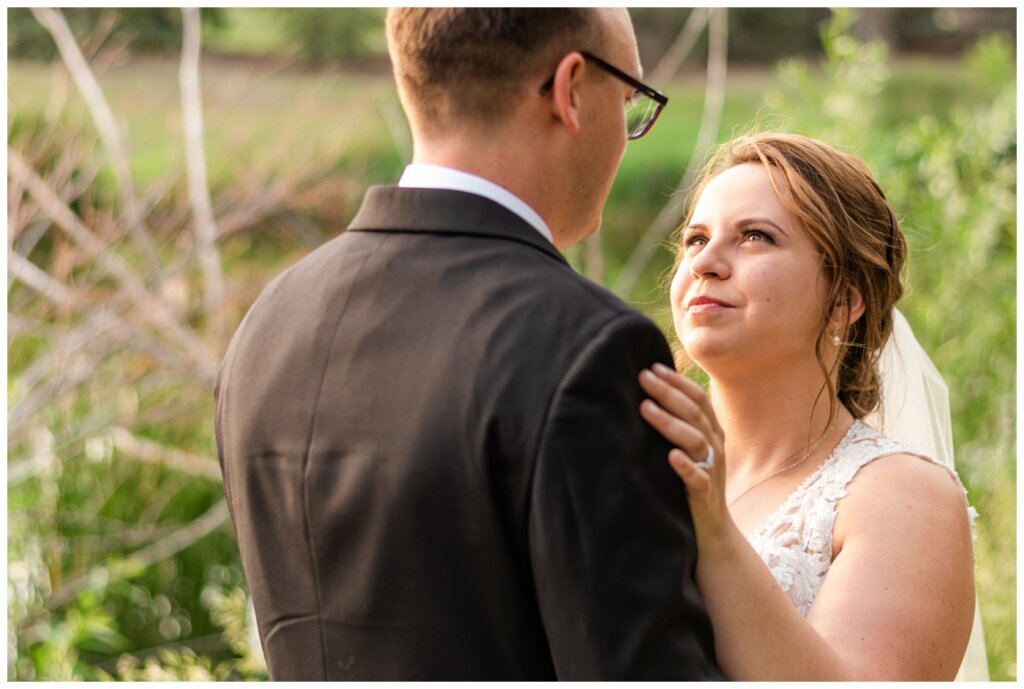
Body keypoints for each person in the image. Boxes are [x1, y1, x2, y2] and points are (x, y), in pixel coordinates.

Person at [214, 8, 720, 680]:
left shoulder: (270, 323)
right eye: (628, 98)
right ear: (570, 89)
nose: (627, 133)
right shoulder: (590, 349)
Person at [638, 132, 980, 680]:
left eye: (754, 237)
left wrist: (713, 530)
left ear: (844, 298)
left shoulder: (901, 496)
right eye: (695, 239)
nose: (706, 263)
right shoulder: (634, 457)